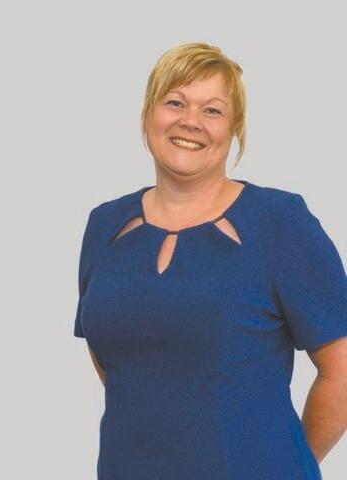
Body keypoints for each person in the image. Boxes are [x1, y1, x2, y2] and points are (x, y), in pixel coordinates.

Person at [73, 41, 347, 480]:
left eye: (212, 110)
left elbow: (342, 369)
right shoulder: (104, 224)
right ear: (148, 114)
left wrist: (289, 465)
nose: (191, 121)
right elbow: (117, 362)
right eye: (175, 102)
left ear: (234, 128)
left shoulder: (278, 222)